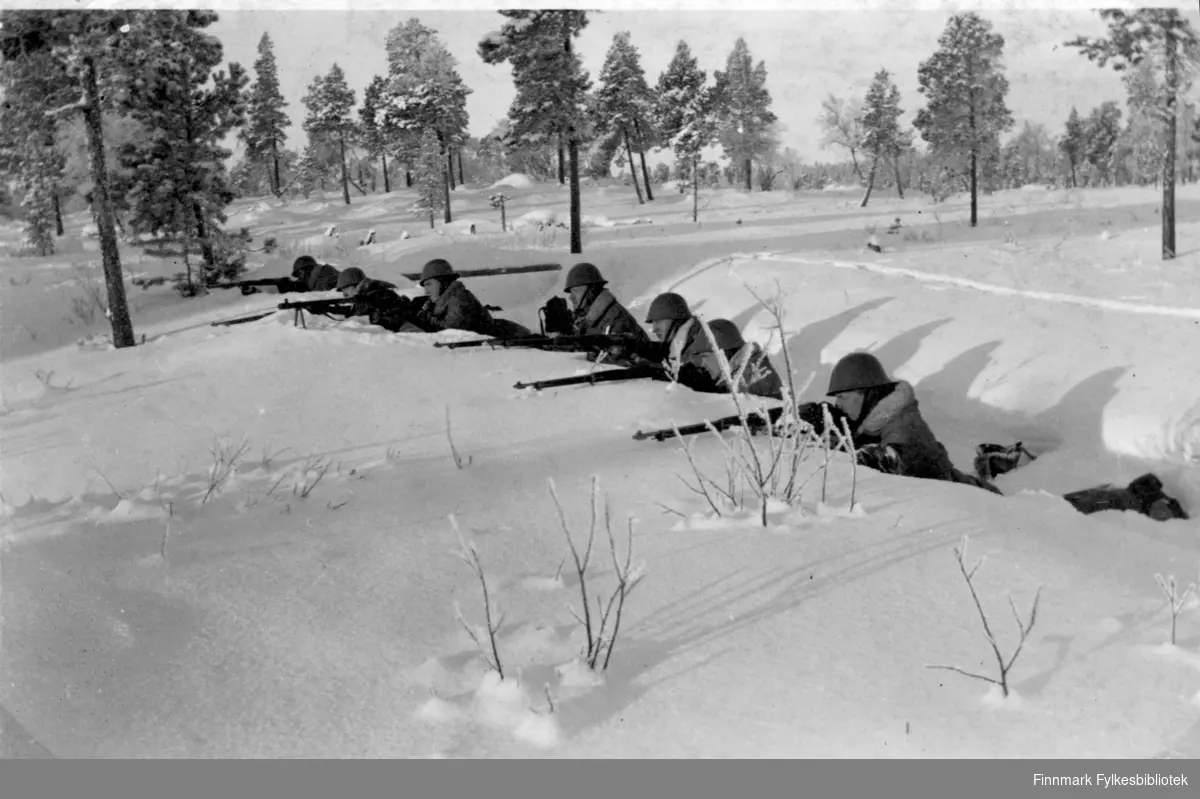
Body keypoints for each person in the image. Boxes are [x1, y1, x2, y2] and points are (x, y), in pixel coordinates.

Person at [824, 352, 1001, 492]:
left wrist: (875, 457)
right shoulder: (872, 415)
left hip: (956, 490)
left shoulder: (903, 423)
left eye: (842, 397)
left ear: (866, 393)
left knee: (983, 491)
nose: (837, 404)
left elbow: (909, 461)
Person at [541, 262, 649, 366]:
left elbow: (611, 361)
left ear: (592, 290)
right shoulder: (590, 315)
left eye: (577, 291)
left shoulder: (614, 320)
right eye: (571, 292)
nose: (571, 297)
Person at [411, 258, 531, 338]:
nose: (425, 290)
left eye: (429, 284)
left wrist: (422, 316)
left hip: (515, 339)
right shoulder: (438, 302)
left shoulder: (460, 299)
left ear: (443, 282)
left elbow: (452, 332)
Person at [689, 319, 785, 401]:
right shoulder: (738, 375)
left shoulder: (755, 379)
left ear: (724, 352)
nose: (703, 364)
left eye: (705, 357)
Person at [335, 267, 425, 333]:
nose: (344, 294)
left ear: (353, 285)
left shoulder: (377, 295)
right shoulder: (368, 295)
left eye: (344, 289)